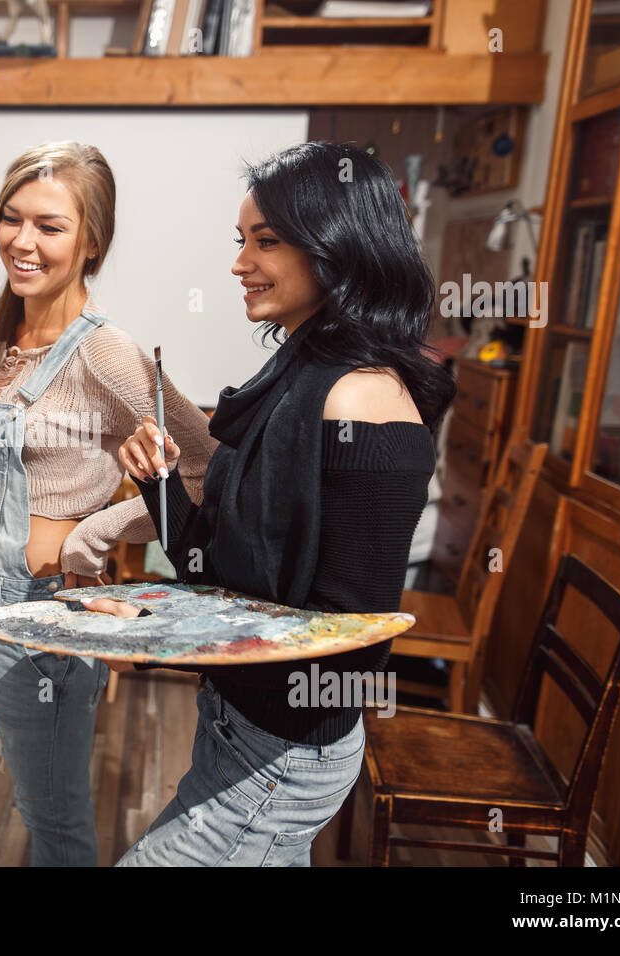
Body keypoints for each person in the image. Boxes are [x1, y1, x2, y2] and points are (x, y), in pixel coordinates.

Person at [86, 141, 455, 866]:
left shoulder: (362, 399)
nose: (239, 262)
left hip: (283, 754)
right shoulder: (299, 373)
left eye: (267, 241)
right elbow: (217, 573)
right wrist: (160, 485)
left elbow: (348, 643)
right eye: (241, 240)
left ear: (335, 246)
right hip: (241, 727)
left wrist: (165, 641)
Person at [0, 141, 215, 866]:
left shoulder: (106, 352)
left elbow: (204, 468)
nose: (22, 240)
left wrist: (101, 529)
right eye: (10, 219)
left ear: (91, 243)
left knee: (48, 817)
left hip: (45, 609)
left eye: (49, 226)